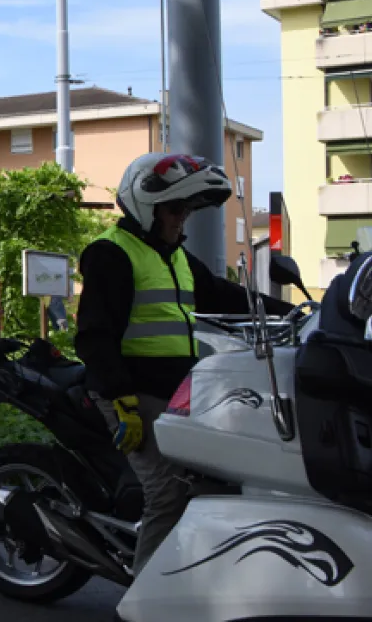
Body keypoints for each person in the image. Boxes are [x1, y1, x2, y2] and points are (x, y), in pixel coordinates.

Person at [73, 153, 291, 574]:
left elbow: (227, 296)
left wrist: (294, 311)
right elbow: (93, 336)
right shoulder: (112, 254)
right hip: (131, 392)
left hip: (176, 392)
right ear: (146, 206)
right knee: (168, 491)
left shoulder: (175, 257)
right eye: (175, 209)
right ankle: (143, 603)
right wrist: (122, 397)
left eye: (187, 210)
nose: (182, 220)